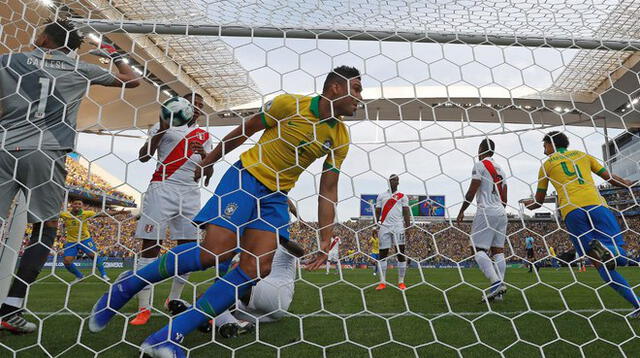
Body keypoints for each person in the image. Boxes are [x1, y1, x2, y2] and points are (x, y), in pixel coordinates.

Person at [88, 65, 363, 356]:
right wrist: (209, 160)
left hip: (276, 196)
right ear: (336, 87)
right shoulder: (290, 104)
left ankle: (167, 337)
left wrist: (325, 237)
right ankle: (126, 287)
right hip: (246, 177)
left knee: (256, 268)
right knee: (213, 254)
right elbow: (244, 131)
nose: (360, 97)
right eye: (356, 89)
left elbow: (328, 188)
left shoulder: (340, 136)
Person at [0, 18, 139, 333]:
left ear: (47, 39)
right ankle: (10, 308)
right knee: (45, 229)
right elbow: (132, 80)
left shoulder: (10, 60)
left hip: (4, 147)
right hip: (46, 152)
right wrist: (112, 52)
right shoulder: (79, 67)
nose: (36, 37)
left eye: (39, 33)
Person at [523, 131, 639, 314]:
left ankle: (637, 302)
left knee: (597, 261)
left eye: (545, 146)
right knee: (618, 251)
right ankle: (612, 253)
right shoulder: (583, 156)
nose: (544, 150)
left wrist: (529, 204)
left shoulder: (546, 165)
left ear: (552, 144)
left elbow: (538, 201)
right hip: (598, 205)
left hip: (572, 210)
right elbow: (609, 177)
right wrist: (627, 183)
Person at [130, 92, 211, 326]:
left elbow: (207, 171)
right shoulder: (162, 125)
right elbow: (143, 156)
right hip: (163, 188)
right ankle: (144, 307)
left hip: (190, 192)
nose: (197, 108)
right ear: (181, 105)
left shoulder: (204, 135)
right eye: (193, 104)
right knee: (151, 244)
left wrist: (205, 157)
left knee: (187, 249)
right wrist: (164, 128)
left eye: (200, 105)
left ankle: (173, 301)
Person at [457, 139, 508, 302]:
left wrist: (462, 210)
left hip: (486, 211)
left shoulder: (479, 165)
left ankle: (496, 283)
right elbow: (505, 198)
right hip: (501, 212)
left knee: (476, 248)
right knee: (498, 251)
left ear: (481, 149)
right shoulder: (502, 170)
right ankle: (499, 294)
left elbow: (472, 191)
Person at [59, 199, 125, 282]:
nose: (77, 205)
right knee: (67, 261)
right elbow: (52, 215)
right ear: (71, 205)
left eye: (79, 204)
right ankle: (79, 276)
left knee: (94, 256)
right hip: (71, 241)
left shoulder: (86, 213)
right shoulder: (65, 214)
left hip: (85, 239)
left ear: (82, 206)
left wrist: (117, 212)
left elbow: (102, 214)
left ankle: (104, 274)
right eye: (75, 203)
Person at [375, 174, 411, 291]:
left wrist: (408, 227)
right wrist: (375, 226)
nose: (394, 181)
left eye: (396, 180)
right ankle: (382, 282)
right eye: (392, 180)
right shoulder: (381, 196)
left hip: (398, 227)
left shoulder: (403, 196)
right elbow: (377, 211)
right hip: (384, 226)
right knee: (383, 254)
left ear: (398, 182)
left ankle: (401, 282)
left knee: (400, 253)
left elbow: (406, 212)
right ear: (388, 182)